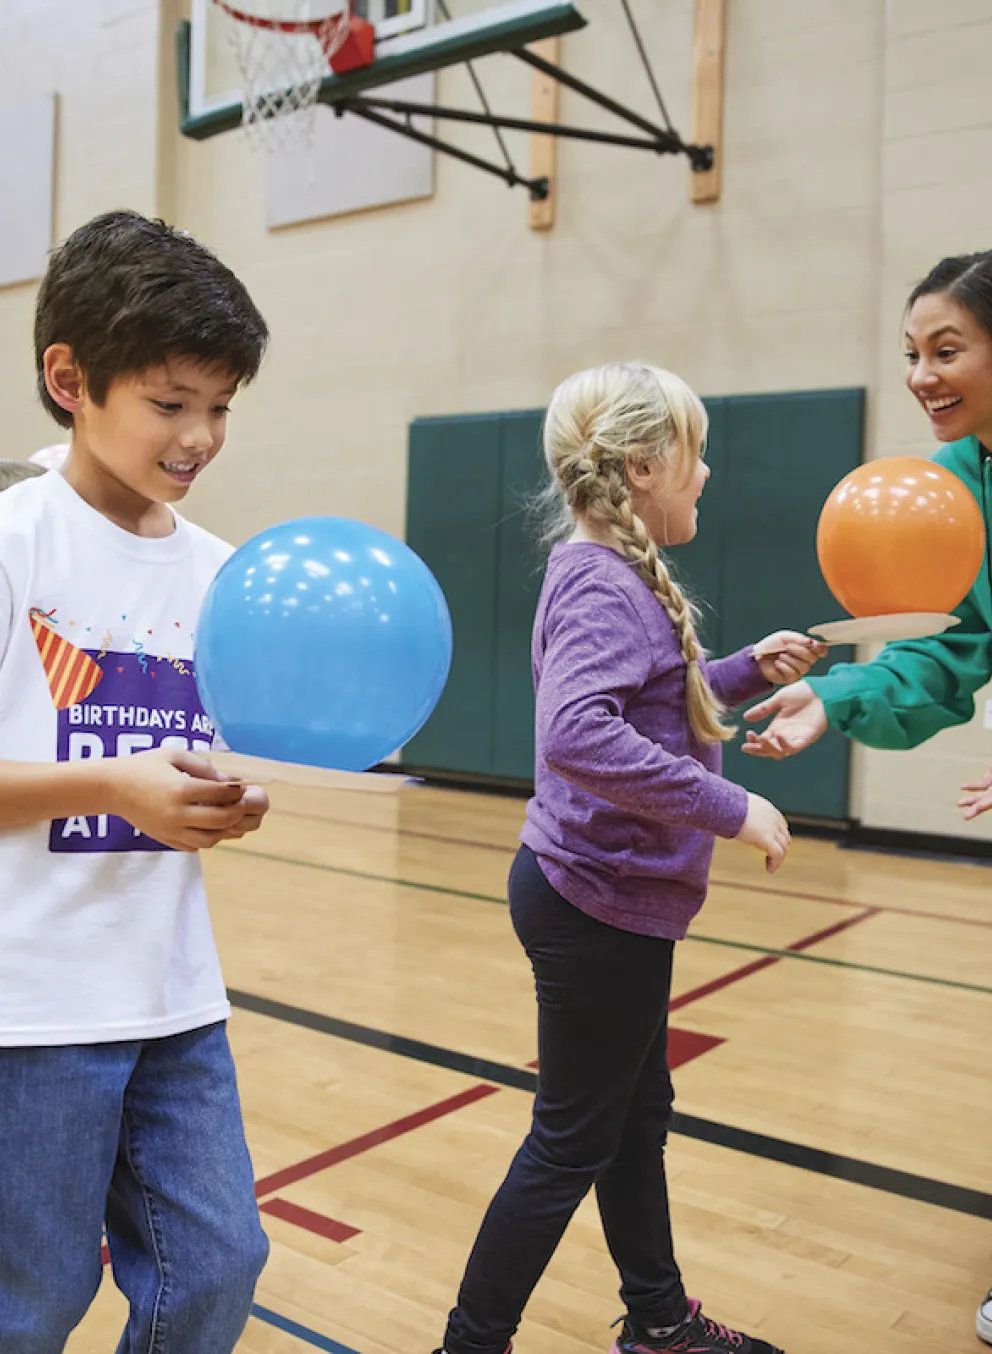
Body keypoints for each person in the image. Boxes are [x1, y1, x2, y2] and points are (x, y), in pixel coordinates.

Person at [435, 362, 825, 1354]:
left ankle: (657, 1319)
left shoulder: (608, 578)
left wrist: (741, 671)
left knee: (633, 1115)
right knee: (571, 1137)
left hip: (611, 898)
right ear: (645, 466)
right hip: (596, 902)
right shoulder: (601, 585)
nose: (706, 475)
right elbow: (577, 734)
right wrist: (729, 804)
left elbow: (651, 697)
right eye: (693, 457)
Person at [0, 209, 272, 1352]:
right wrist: (111, 787)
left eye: (220, 406)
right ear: (70, 377)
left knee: (216, 1264)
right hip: (30, 1006)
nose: (200, 435)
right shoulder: (14, 539)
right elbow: (109, 774)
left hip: (173, 996)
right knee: (36, 1299)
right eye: (171, 402)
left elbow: (181, 760)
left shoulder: (221, 572)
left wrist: (222, 799)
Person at [742, 249, 992, 1346]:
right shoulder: (956, 490)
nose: (921, 375)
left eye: (947, 349)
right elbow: (946, 653)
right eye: (910, 354)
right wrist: (832, 700)